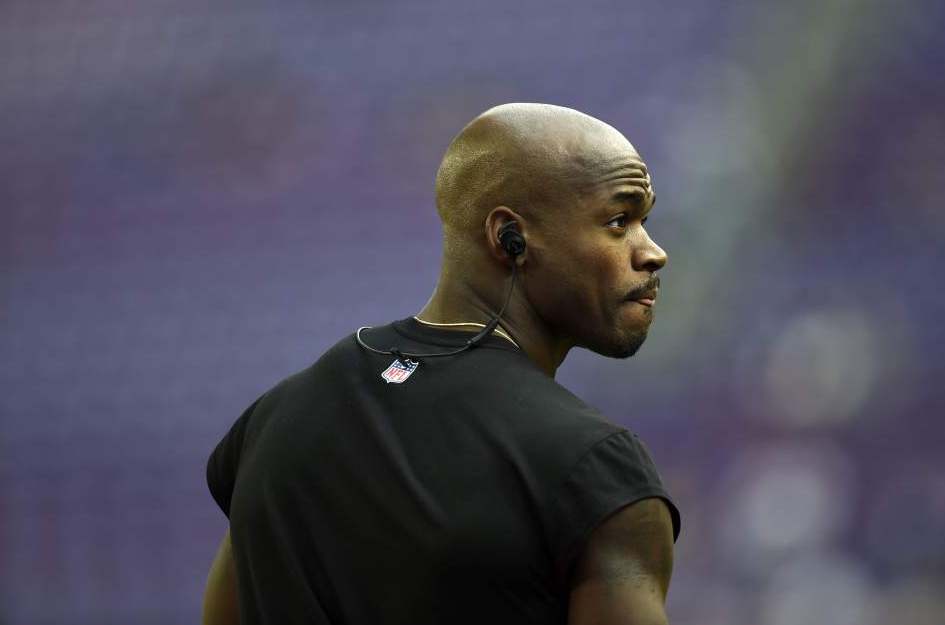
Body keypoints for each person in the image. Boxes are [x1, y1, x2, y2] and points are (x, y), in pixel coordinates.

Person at [202, 103, 680, 625]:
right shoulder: (594, 471)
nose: (653, 252)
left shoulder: (270, 423)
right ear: (510, 238)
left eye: (644, 221)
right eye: (619, 221)